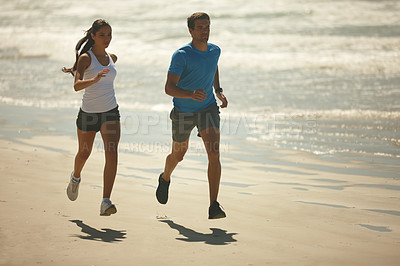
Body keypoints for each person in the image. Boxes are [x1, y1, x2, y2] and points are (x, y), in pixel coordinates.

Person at [156, 12, 228, 219]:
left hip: (208, 108)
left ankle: (213, 205)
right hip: (183, 112)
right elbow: (169, 88)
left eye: (207, 27)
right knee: (178, 154)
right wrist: (190, 94)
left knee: (214, 153)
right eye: (200, 28)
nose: (204, 31)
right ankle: (165, 177)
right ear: (190, 30)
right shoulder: (181, 55)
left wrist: (218, 90)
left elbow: (212, 68)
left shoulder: (215, 51)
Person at [62, 19, 120, 216]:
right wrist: (94, 80)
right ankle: (75, 177)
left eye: (109, 34)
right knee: (84, 153)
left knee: (112, 152)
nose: (107, 38)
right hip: (88, 113)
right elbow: (76, 86)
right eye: (102, 35)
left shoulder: (112, 57)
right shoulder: (86, 58)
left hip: (111, 111)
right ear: (93, 36)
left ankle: (105, 201)